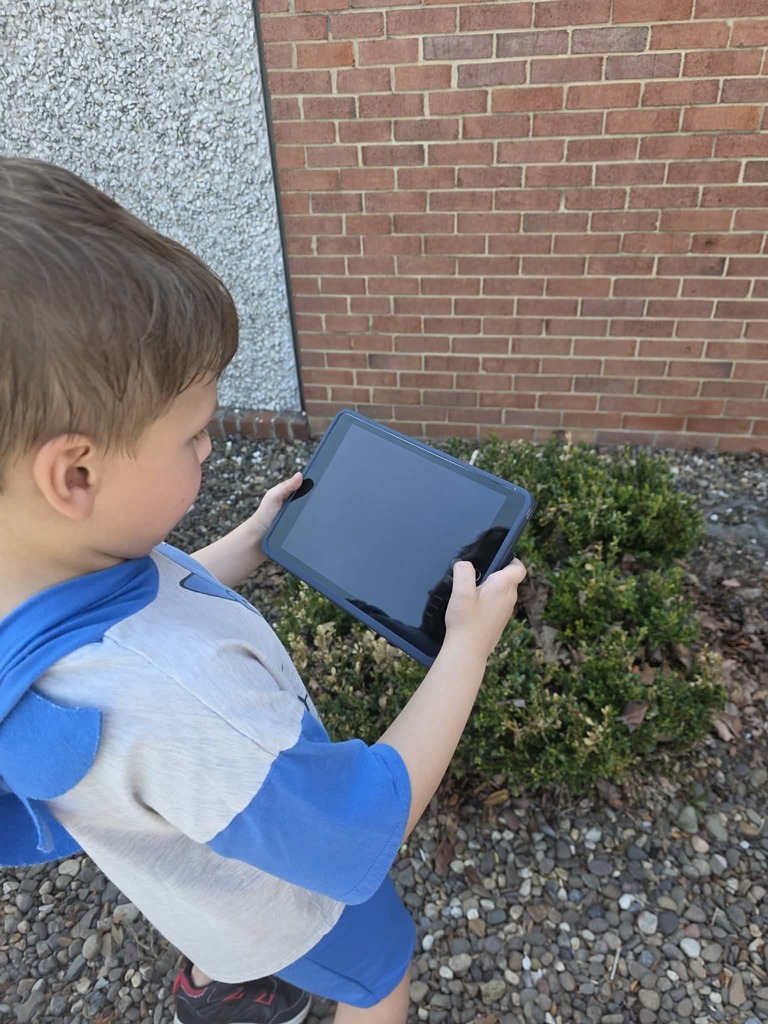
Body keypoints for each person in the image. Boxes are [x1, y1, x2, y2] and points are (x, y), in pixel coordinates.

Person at [0, 156, 527, 1024]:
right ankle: (244, 971)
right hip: (288, 905)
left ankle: (221, 970)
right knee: (380, 968)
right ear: (77, 475)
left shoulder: (42, 565)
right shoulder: (187, 703)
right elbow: (365, 821)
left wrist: (249, 542)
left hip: (195, 859)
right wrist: (465, 648)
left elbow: (141, 605)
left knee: (201, 878)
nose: (210, 448)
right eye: (194, 435)